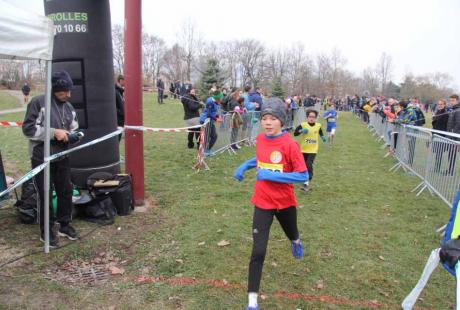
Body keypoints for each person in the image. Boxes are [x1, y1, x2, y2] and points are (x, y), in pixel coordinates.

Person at [234, 97, 308, 310]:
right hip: (263, 202)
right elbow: (260, 159)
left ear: (281, 121)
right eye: (264, 118)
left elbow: (302, 175)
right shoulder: (260, 139)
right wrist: (245, 165)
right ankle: (252, 301)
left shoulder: (290, 145)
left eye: (272, 118)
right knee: (258, 251)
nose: (267, 122)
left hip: (284, 202)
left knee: (292, 232)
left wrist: (271, 175)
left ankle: (295, 241)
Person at [22, 71, 81, 248]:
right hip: (42, 157)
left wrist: (74, 136)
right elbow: (28, 129)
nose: (69, 94)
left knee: (65, 191)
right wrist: (54, 133)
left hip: (62, 156)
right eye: (64, 91)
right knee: (45, 193)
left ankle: (64, 225)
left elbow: (75, 128)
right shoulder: (38, 102)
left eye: (70, 90)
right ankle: (45, 231)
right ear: (55, 88)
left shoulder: (69, 107)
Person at [293, 109, 326, 192]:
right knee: (303, 165)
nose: (312, 118)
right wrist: (301, 131)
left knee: (309, 164)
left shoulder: (318, 125)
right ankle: (304, 180)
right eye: (310, 117)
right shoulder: (303, 125)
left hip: (313, 150)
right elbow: (295, 133)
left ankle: (307, 181)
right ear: (307, 117)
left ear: (316, 118)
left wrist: (322, 137)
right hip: (303, 149)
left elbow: (320, 132)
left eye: (313, 117)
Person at [200, 90, 222, 156]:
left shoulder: (216, 101)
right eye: (221, 97)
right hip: (206, 120)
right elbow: (208, 114)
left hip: (210, 120)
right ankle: (205, 151)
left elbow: (213, 111)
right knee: (207, 136)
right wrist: (216, 119)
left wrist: (218, 116)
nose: (221, 98)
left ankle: (207, 150)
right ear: (217, 98)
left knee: (214, 136)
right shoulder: (210, 101)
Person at [432, 99, 450, 172]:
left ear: (444, 105)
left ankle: (437, 168)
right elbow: (435, 123)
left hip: (441, 135)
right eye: (438, 104)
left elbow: (444, 125)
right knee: (437, 152)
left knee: (439, 153)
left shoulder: (445, 113)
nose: (439, 105)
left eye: (441, 104)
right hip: (435, 133)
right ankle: (436, 167)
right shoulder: (437, 112)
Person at [446, 94, 460, 175]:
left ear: (457, 100)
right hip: (450, 135)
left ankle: (451, 172)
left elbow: (458, 124)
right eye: (450, 100)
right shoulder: (453, 109)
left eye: (453, 100)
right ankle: (449, 170)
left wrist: (453, 135)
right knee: (450, 154)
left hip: (454, 137)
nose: (451, 102)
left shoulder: (458, 110)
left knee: (452, 154)